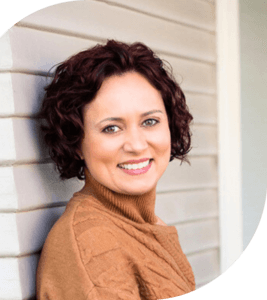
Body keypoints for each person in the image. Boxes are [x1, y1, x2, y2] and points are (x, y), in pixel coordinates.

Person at [36, 40, 195, 300]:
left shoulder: (143, 224)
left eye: (150, 121)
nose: (136, 145)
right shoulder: (94, 247)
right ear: (77, 141)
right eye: (111, 128)